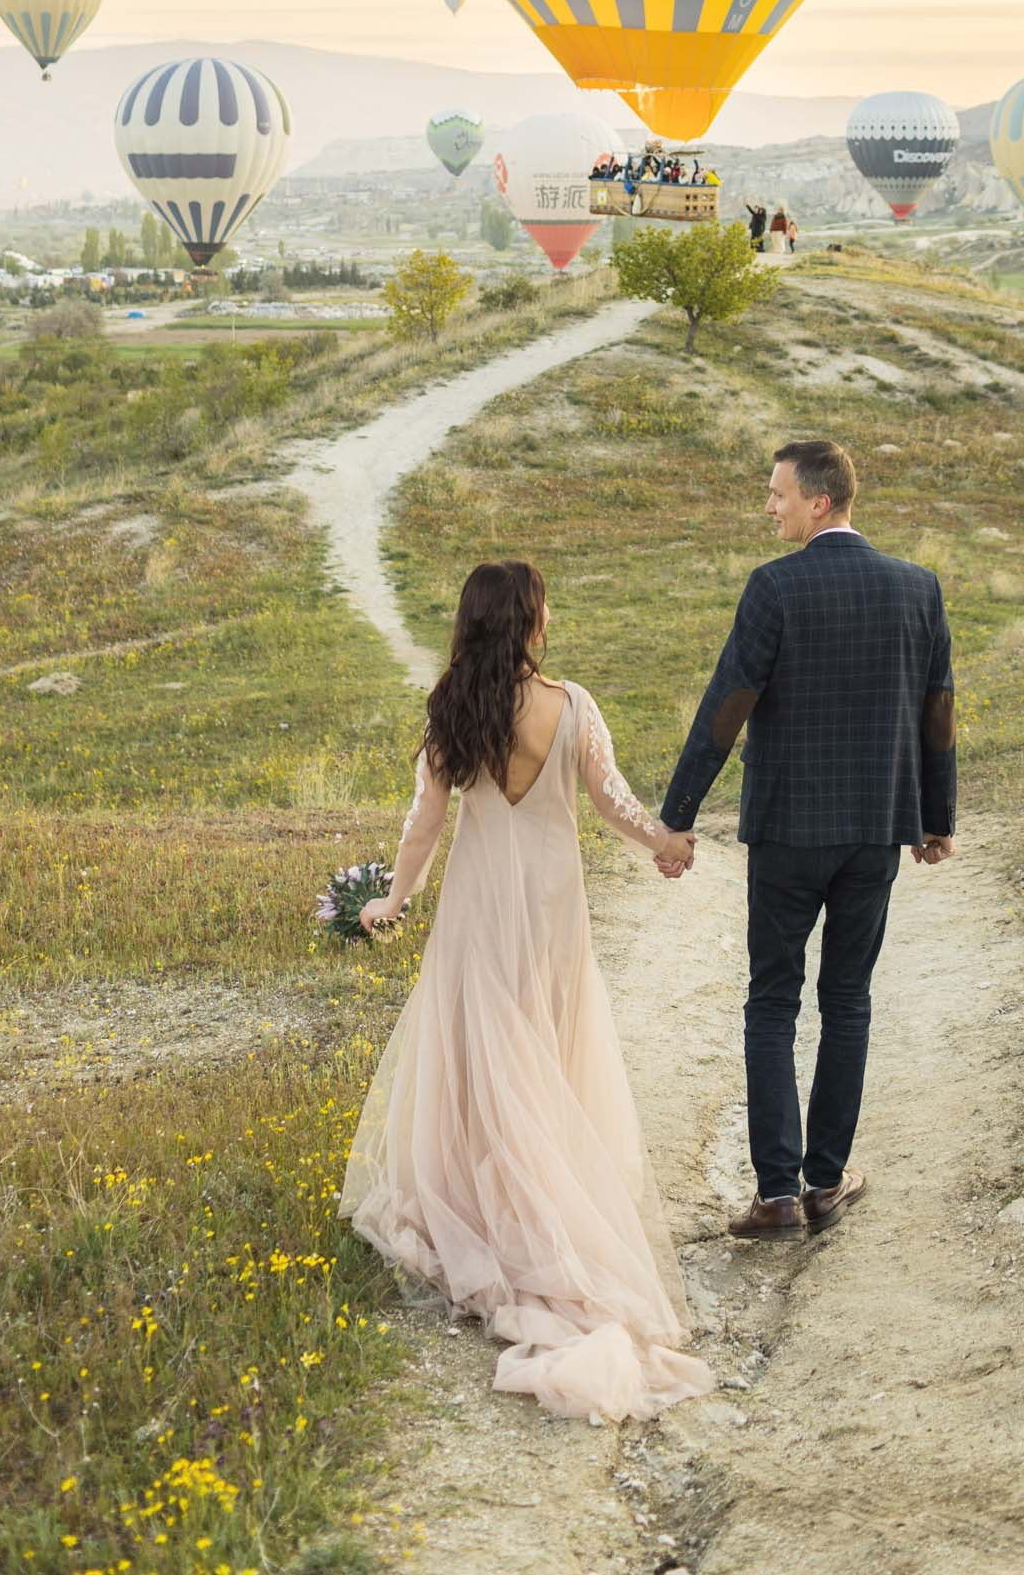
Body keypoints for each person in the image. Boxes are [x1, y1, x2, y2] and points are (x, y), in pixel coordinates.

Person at [342, 559, 711, 1420]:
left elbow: (425, 822)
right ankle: (545, 1196)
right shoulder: (571, 704)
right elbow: (611, 800)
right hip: (549, 902)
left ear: (472, 622)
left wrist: (392, 902)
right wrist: (665, 841)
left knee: (483, 1043)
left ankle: (486, 1195)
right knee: (543, 1040)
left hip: (478, 900)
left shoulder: (450, 708)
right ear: (531, 622)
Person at [660, 440, 955, 1237]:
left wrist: (678, 813)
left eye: (777, 494)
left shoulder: (775, 588)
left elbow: (729, 702)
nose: (769, 507)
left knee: (771, 1001)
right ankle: (825, 1181)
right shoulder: (916, 587)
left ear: (818, 502)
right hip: (874, 831)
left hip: (789, 829)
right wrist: (935, 819)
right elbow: (937, 710)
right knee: (848, 1000)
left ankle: (777, 1196)